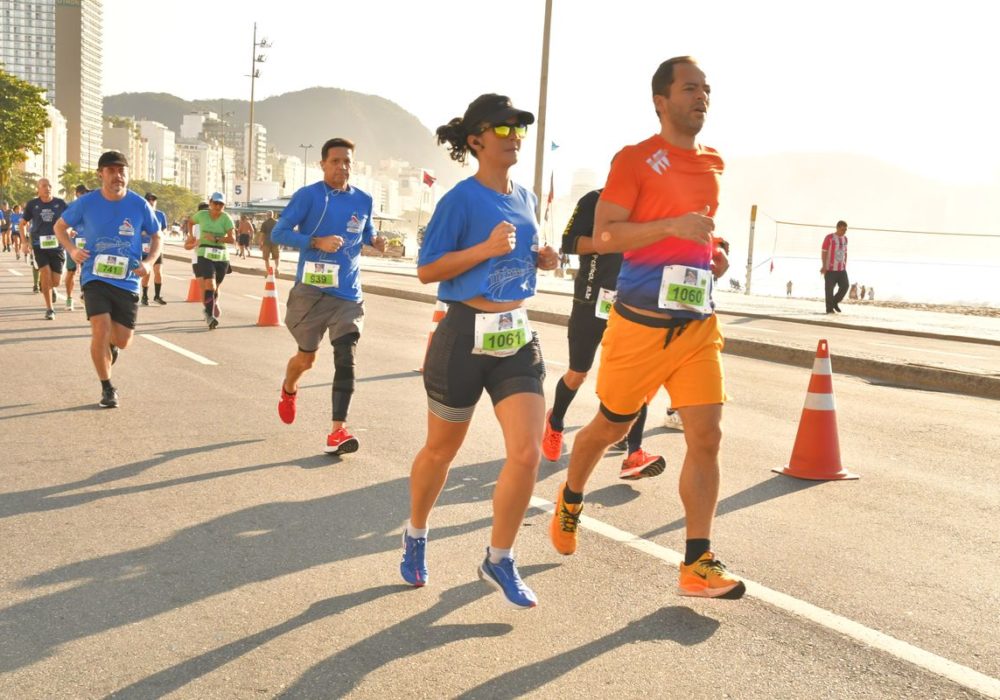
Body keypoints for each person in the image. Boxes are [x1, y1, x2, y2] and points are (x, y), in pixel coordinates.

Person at [547, 57, 743, 600]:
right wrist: (672, 226)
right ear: (660, 99)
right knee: (608, 428)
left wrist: (712, 253)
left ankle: (695, 562)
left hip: (696, 326)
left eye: (707, 89)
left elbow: (700, 232)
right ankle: (571, 496)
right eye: (689, 89)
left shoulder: (715, 163)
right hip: (638, 326)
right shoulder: (634, 160)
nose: (701, 97)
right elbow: (606, 234)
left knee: (707, 435)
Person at [398, 94, 560, 609]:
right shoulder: (459, 200)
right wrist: (484, 250)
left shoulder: (527, 197)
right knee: (441, 451)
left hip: (515, 334)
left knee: (527, 452)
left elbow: (524, 257)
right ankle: (417, 532)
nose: (514, 136)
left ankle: (499, 557)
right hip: (464, 332)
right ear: (476, 140)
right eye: (504, 128)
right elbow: (427, 269)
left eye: (519, 129)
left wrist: (545, 259)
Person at [540, 186, 667, 480]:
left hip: (630, 301)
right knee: (578, 373)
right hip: (590, 300)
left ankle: (634, 453)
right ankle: (555, 423)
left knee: (633, 378)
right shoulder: (594, 201)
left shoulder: (646, 205)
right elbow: (569, 243)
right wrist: (610, 240)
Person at [271, 137, 387, 455]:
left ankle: (338, 430)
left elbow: (367, 233)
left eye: (347, 161)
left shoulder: (363, 200)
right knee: (306, 358)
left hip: (347, 293)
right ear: (322, 164)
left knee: (345, 356)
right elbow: (277, 233)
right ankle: (289, 388)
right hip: (310, 292)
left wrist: (377, 241)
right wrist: (315, 241)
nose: (342, 166)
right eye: (335, 161)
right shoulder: (308, 197)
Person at [54, 151, 161, 408]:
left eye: (122, 171)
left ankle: (111, 348)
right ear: (101, 174)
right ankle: (107, 388)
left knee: (122, 339)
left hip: (127, 280)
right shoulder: (87, 202)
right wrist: (72, 250)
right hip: (95, 276)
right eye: (111, 171)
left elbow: (157, 236)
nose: (117, 176)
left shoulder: (138, 204)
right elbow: (59, 227)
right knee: (100, 328)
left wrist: (148, 263)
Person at [20, 178, 68, 319]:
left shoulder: (60, 204)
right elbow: (22, 223)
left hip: (57, 246)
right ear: (38, 189)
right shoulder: (32, 204)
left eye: (49, 186)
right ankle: (49, 309)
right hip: (38, 245)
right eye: (44, 186)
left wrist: (69, 231)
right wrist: (24, 243)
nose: (47, 188)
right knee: (45, 273)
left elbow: (70, 220)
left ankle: (51, 288)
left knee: (56, 281)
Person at [186, 192, 234, 329]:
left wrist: (217, 239)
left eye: (221, 204)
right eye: (215, 203)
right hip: (204, 254)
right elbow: (190, 221)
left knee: (216, 288)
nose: (218, 206)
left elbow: (232, 239)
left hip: (221, 256)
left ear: (224, 205)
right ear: (210, 202)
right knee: (210, 285)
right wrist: (190, 236)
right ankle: (209, 315)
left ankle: (209, 309)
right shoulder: (202, 215)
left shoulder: (226, 218)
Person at [63, 184, 91, 311]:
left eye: (87, 193)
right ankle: (69, 298)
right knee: (71, 271)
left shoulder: (92, 207)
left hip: (87, 244)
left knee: (87, 271)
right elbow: (63, 225)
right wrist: (69, 231)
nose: (85, 195)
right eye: (83, 193)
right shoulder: (71, 207)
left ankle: (84, 294)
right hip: (73, 245)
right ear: (77, 194)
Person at [140, 193, 168, 305]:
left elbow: (164, 228)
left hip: (157, 247)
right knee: (147, 273)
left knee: (159, 272)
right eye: (149, 199)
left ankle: (157, 295)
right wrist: (142, 233)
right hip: (144, 248)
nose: (151, 201)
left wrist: (161, 233)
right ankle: (145, 296)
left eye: (153, 199)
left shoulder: (160, 214)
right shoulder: (141, 214)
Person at [821, 220, 849, 314]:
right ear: (837, 228)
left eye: (845, 230)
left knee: (845, 286)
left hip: (841, 269)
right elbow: (824, 252)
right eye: (842, 229)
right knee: (829, 290)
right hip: (830, 269)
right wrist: (824, 266)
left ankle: (834, 302)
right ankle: (829, 310)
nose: (844, 231)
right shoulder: (829, 238)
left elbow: (845, 253)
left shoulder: (845, 239)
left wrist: (845, 264)